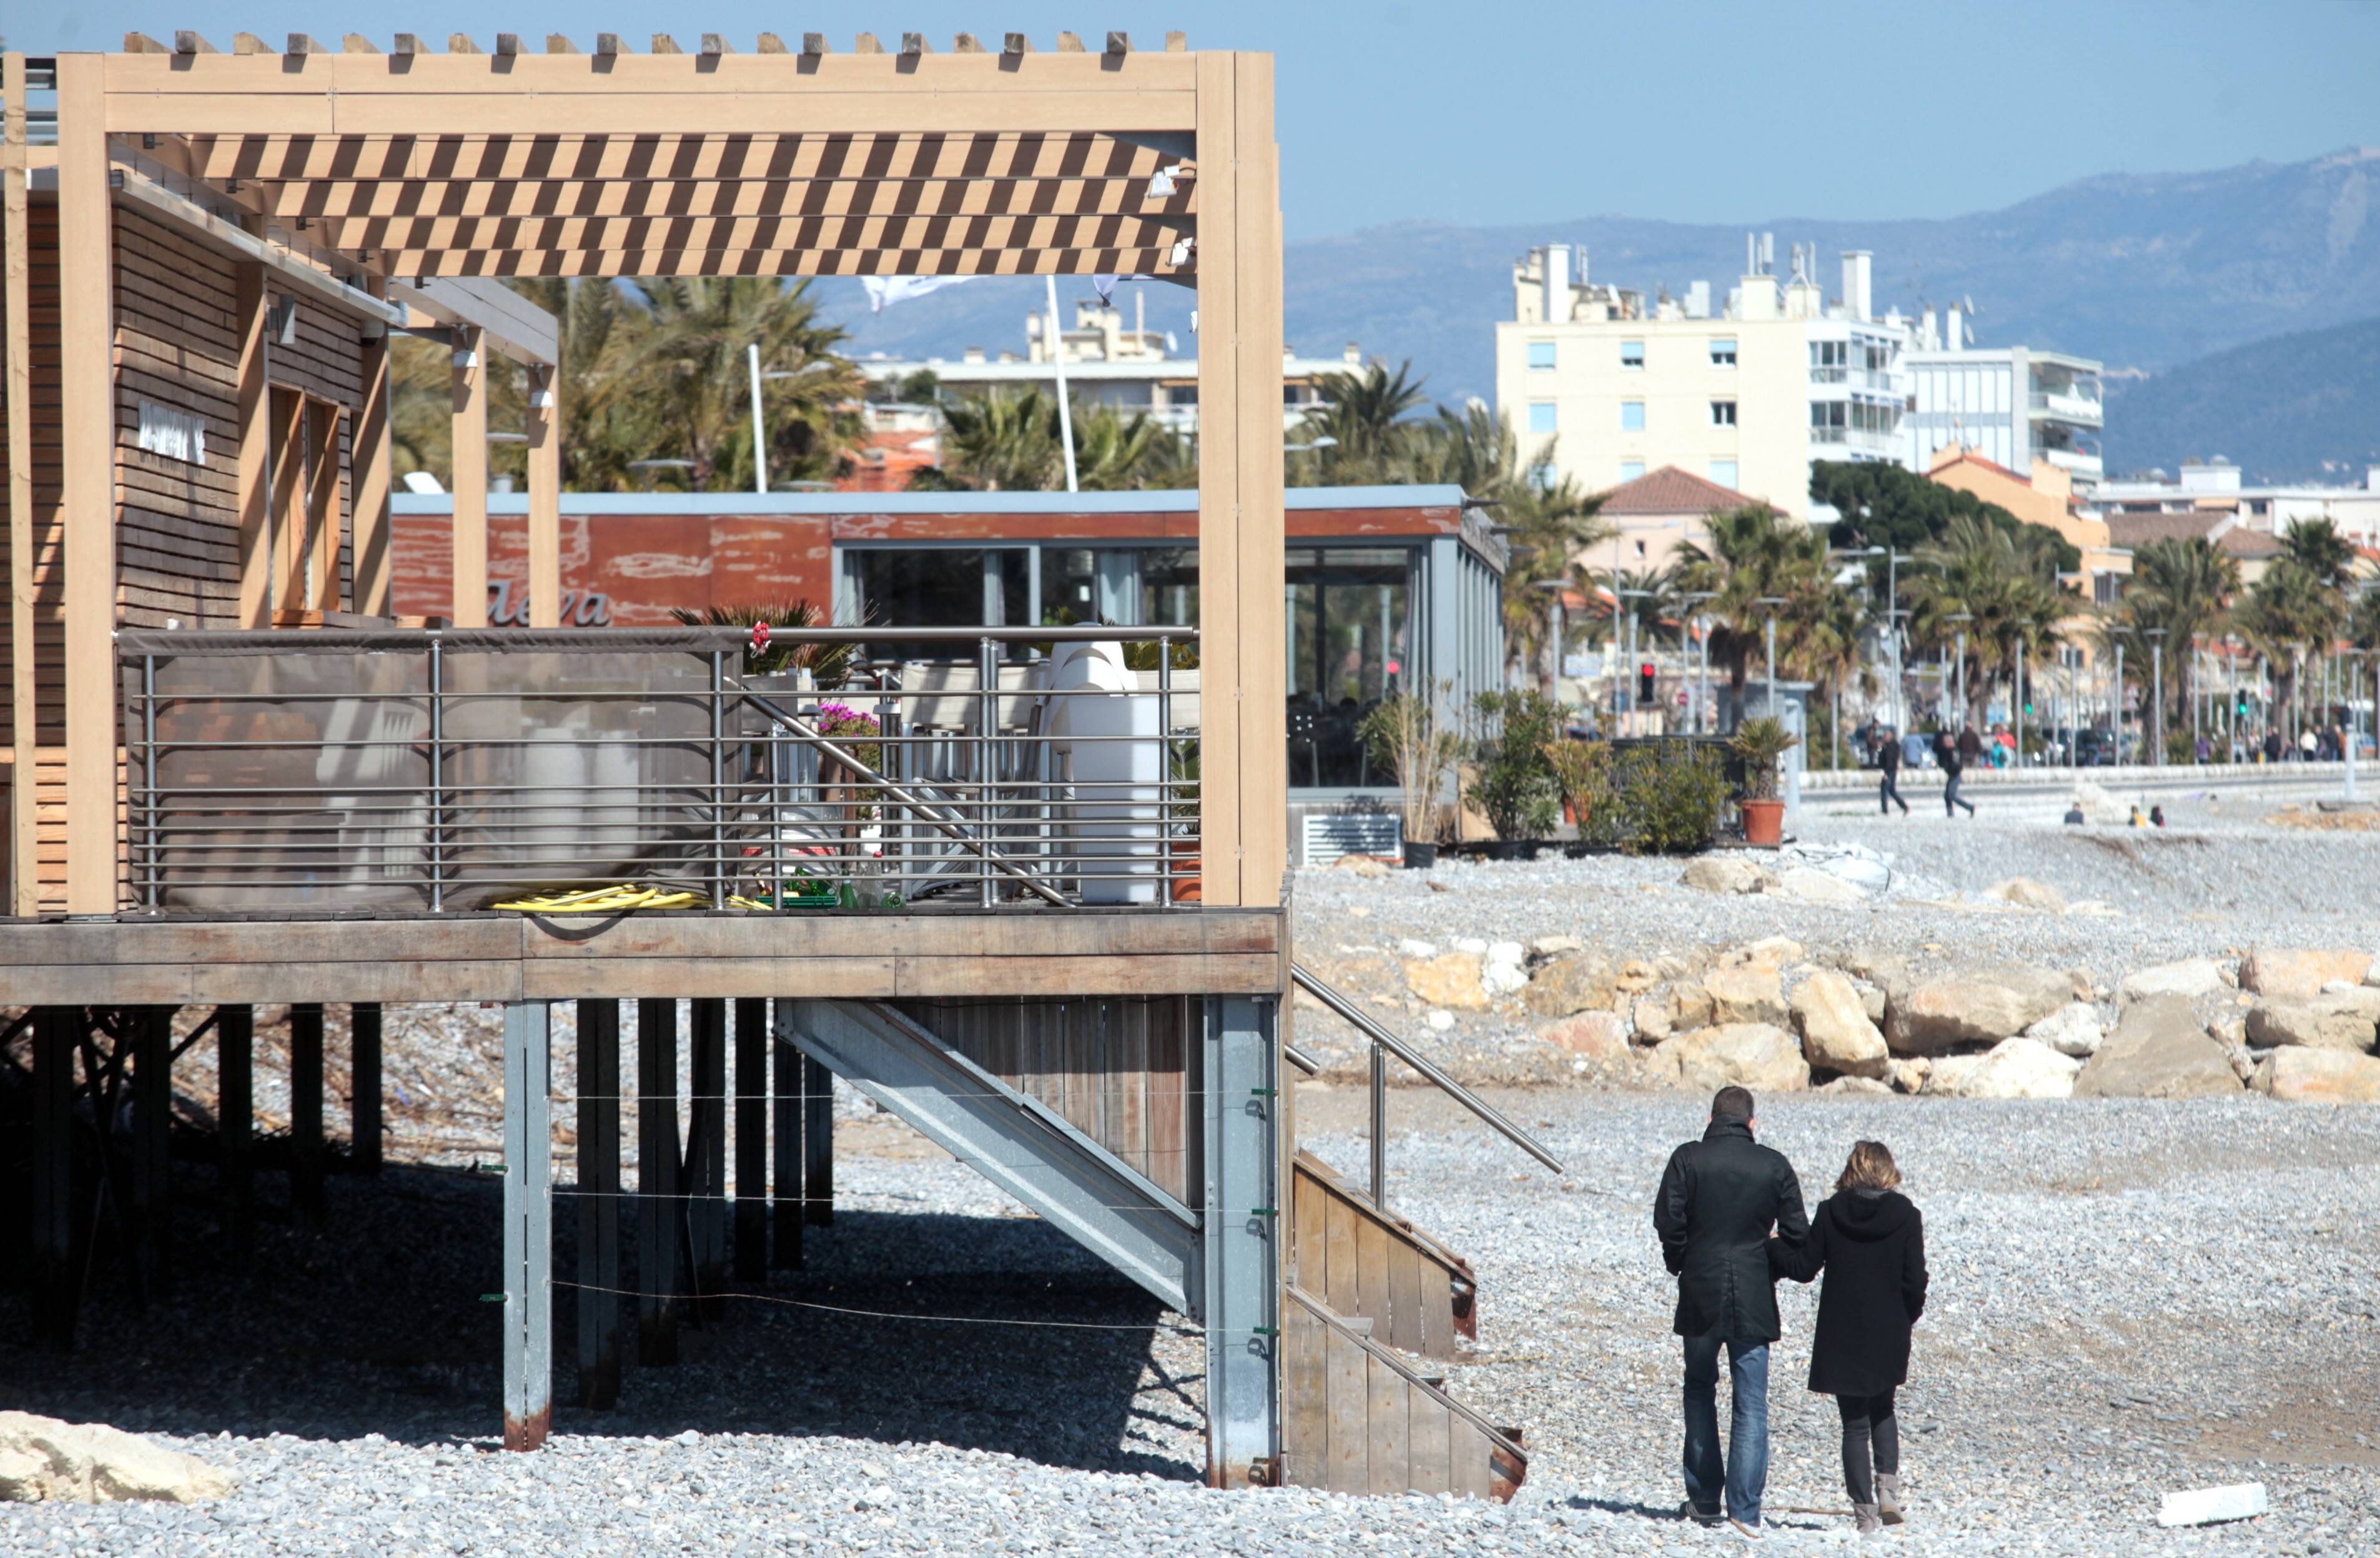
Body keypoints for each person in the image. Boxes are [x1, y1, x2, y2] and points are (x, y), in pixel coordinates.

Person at [1653, 1087, 1811, 1537]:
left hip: (1700, 1286)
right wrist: (1766, 1258)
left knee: (1699, 1387)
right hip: (1753, 1291)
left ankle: (1704, 1499)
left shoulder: (1687, 1157)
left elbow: (1668, 1219)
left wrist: (1680, 1259)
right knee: (1750, 1403)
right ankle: (1745, 1510)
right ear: (1752, 1123)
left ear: (1710, 1117)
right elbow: (1797, 1233)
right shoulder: (1773, 1163)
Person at [1772, 1141, 1930, 1536]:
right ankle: (1888, 1490)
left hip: (1843, 1333)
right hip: (1889, 1329)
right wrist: (1907, 1316)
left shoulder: (1831, 1211)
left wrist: (1771, 1247)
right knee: (1884, 1408)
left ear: (1851, 1170)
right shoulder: (1907, 1215)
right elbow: (1916, 1280)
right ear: (1888, 1170)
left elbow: (1805, 1267)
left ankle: (1864, 1517)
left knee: (1854, 1425)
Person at [1935, 731, 1975, 818]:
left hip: (1955, 775)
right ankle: (1950, 814)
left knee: (1951, 795)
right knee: (1947, 796)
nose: (1943, 743)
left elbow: (1956, 764)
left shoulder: (1954, 751)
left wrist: (1949, 768)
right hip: (1952, 775)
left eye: (1945, 742)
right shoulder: (1949, 751)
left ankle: (1969, 807)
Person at [1877, 726, 1908, 816]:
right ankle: (1904, 806)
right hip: (1890, 770)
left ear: (1890, 737)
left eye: (1885, 736)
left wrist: (1886, 773)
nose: (1883, 738)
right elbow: (1880, 754)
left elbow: (1890, 760)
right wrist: (1880, 748)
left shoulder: (1892, 746)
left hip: (1890, 770)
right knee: (1891, 790)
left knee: (1885, 790)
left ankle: (1885, 810)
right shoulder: (1886, 746)